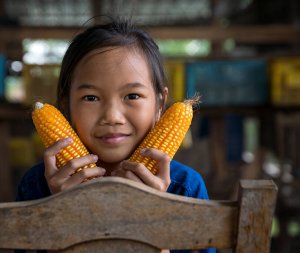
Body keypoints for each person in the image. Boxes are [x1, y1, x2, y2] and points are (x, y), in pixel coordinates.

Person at [16, 17, 215, 253]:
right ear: (65, 104)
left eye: (132, 96)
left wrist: (153, 213)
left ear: (160, 103)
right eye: (91, 98)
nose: (112, 116)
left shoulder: (186, 189)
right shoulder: (37, 187)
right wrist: (64, 212)